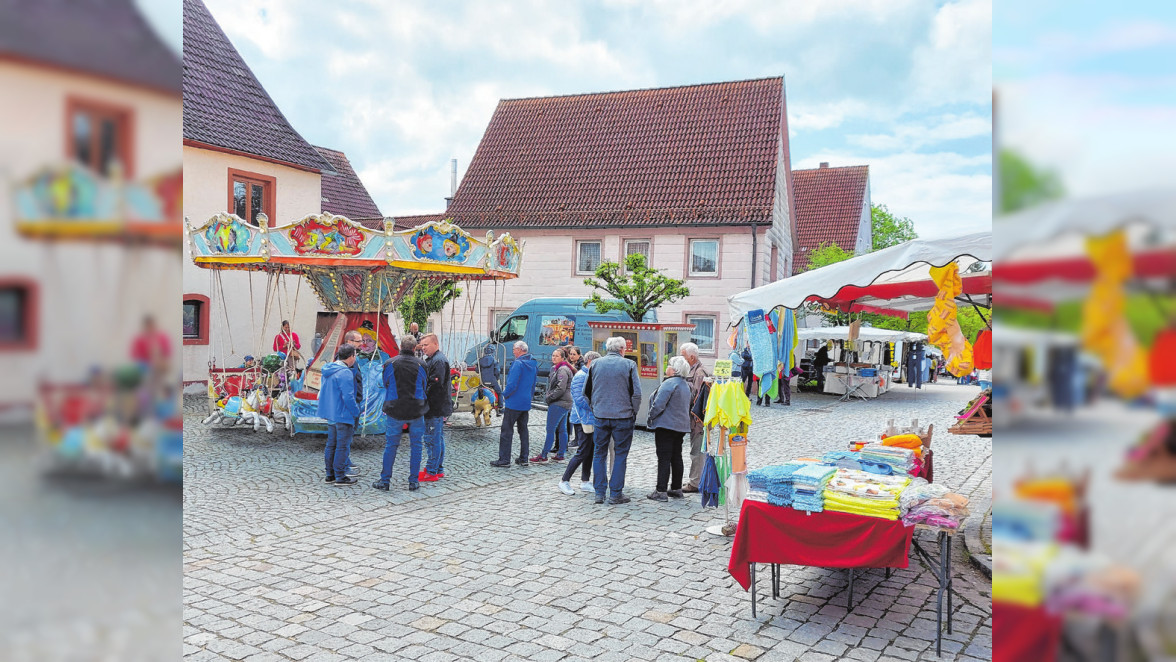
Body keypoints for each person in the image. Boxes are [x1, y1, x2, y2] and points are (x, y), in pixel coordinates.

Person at [584, 336, 642, 505]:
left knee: (599, 453)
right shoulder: (629, 365)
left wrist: (595, 408)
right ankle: (615, 493)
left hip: (601, 415)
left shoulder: (595, 364)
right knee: (620, 454)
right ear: (622, 349)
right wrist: (633, 412)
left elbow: (586, 391)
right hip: (623, 416)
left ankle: (599, 493)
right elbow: (636, 393)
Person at [372, 336, 428, 492]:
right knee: (416, 446)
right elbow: (424, 384)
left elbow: (385, 383)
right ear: (414, 347)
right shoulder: (422, 364)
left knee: (391, 445)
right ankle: (413, 481)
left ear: (400, 346)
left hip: (394, 407)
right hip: (416, 408)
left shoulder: (390, 363)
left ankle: (385, 480)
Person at [646, 356, 692, 502]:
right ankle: (676, 488)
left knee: (664, 458)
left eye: (669, 365)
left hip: (666, 425)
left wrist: (650, 416)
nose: (667, 367)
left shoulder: (670, 383)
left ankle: (660, 490)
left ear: (674, 369)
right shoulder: (685, 384)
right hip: (680, 426)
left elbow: (659, 404)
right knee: (676, 456)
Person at [318, 344, 360, 486]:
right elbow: (348, 397)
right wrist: (355, 412)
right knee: (342, 446)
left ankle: (330, 474)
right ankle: (341, 476)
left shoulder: (328, 370)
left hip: (331, 414)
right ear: (351, 357)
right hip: (343, 414)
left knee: (331, 445)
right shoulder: (345, 372)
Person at [559, 351, 599, 495]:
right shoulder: (581, 376)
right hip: (582, 419)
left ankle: (585, 480)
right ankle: (564, 480)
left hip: (589, 418)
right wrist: (595, 408)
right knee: (583, 451)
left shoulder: (588, 375)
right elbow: (579, 399)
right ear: (590, 361)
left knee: (589, 451)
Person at [491, 342, 537, 467]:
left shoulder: (518, 364)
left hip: (514, 402)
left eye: (514, 349)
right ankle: (524, 457)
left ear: (520, 350)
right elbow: (533, 384)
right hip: (525, 401)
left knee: (506, 431)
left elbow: (512, 384)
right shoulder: (533, 363)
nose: (513, 351)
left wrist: (504, 395)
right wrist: (529, 397)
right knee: (523, 430)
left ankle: (504, 459)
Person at [417, 334, 452, 481]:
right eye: (422, 345)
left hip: (434, 406)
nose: (423, 348)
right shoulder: (435, 359)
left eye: (426, 345)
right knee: (437, 438)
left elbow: (435, 385)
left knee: (432, 439)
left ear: (435, 344)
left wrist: (423, 398)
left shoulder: (437, 361)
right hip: (437, 405)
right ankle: (437, 468)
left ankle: (432, 471)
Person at [679, 343, 711, 494]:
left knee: (697, 451)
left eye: (683, 355)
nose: (682, 358)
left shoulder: (699, 373)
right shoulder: (694, 370)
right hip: (694, 418)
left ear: (692, 357)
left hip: (697, 419)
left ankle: (695, 482)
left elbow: (696, 398)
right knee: (697, 450)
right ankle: (698, 479)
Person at [533, 347, 575, 462]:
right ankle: (561, 454)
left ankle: (544, 454)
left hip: (559, 402)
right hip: (565, 402)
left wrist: (549, 397)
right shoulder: (557, 369)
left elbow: (560, 388)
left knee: (551, 429)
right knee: (562, 429)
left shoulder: (562, 370)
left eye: (556, 356)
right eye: (553, 355)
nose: (554, 357)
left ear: (562, 358)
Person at [478, 344, 502, 411]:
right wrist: (496, 378)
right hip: (492, 380)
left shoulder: (480, 360)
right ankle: (500, 407)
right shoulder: (494, 360)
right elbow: (497, 371)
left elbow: (477, 370)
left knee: (479, 391)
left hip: (483, 381)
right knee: (499, 392)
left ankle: (476, 407)